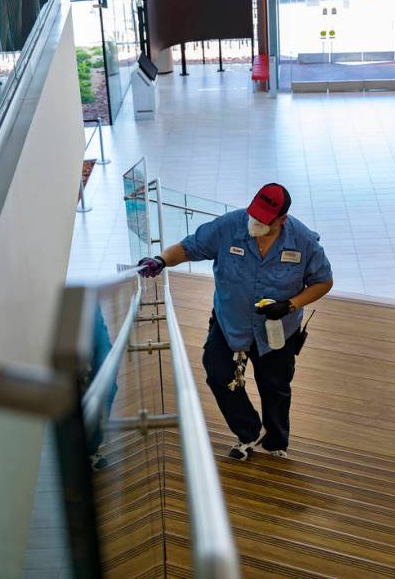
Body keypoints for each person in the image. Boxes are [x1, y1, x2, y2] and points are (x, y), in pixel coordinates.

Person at [137, 184, 333, 459]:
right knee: (218, 373)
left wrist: (290, 305)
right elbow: (189, 247)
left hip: (277, 331)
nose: (256, 223)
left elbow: (324, 281)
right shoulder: (229, 226)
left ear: (281, 220)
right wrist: (161, 260)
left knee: (275, 387)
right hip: (230, 324)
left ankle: (276, 442)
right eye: (254, 215)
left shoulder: (303, 241)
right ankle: (248, 431)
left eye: (265, 221)